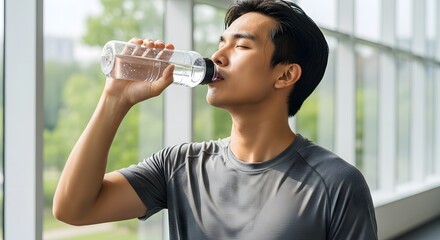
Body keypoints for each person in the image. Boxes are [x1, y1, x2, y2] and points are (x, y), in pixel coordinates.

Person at [53, 0, 378, 239]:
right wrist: (115, 100)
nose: (217, 57)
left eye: (241, 46)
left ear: (285, 74)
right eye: (221, 43)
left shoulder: (336, 184)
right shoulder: (179, 165)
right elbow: (73, 209)